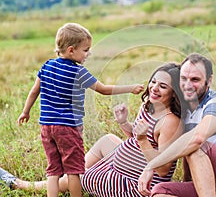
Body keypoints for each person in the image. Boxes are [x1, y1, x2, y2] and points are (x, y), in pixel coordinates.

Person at [2, 62, 184, 196]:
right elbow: (136, 137)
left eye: (163, 86)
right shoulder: (149, 104)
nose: (154, 88)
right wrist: (124, 123)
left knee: (78, 177)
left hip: (135, 183)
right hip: (128, 164)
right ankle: (70, 176)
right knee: (107, 140)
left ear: (174, 91)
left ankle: (22, 185)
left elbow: (162, 169)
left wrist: (143, 139)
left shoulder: (170, 122)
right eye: (153, 82)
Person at [16, 22, 144, 197]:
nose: (88, 53)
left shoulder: (46, 66)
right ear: (71, 50)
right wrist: (130, 88)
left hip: (46, 127)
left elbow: (34, 91)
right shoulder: (79, 72)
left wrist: (25, 111)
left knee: (53, 171)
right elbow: (103, 89)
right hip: (68, 128)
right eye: (85, 50)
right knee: (74, 171)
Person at [138, 53, 216, 197]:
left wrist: (151, 165)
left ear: (209, 80)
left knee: (196, 144)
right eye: (183, 78)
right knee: (160, 191)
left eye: (195, 79)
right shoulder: (183, 111)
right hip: (212, 183)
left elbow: (197, 139)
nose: (187, 85)